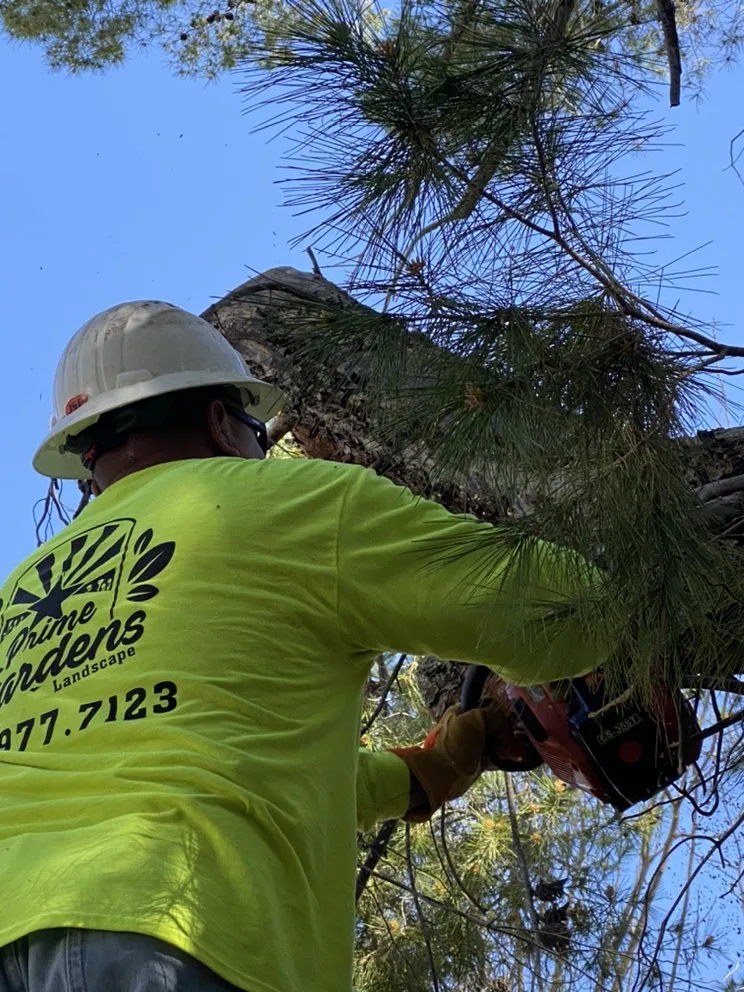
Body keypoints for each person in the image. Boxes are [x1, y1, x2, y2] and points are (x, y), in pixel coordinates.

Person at [0, 301, 604, 992]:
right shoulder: (294, 502)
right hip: (178, 918)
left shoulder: (19, 591)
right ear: (221, 421)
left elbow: (226, 756)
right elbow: (558, 611)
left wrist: (426, 771)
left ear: (89, 457)